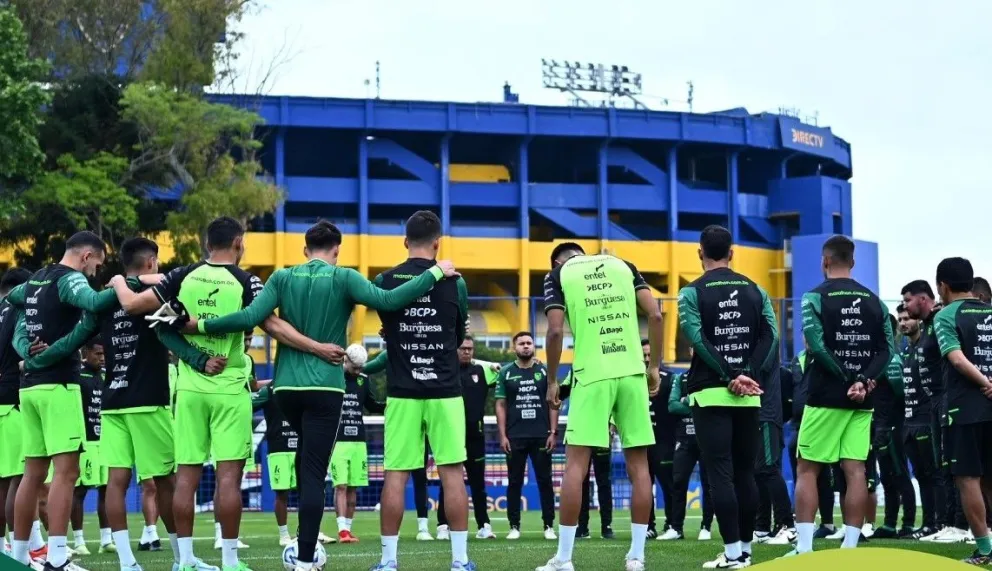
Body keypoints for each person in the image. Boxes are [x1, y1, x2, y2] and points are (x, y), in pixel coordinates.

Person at [188, 219, 456, 571]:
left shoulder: (282, 277)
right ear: (337, 250)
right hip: (325, 388)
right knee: (314, 473)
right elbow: (389, 301)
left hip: (285, 389)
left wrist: (203, 325)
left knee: (304, 464)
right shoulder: (344, 277)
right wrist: (435, 274)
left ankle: (301, 542)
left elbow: (251, 316)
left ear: (304, 250)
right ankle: (304, 558)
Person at [109, 218, 325, 571]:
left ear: (208, 243)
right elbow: (272, 325)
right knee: (228, 478)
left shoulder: (181, 276)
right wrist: (315, 347)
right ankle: (229, 561)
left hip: (190, 390)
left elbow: (159, 326)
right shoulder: (246, 281)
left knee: (187, 477)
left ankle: (185, 561)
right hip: (229, 389)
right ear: (238, 242)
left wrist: (196, 358)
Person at [538, 242, 662, 571]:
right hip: (632, 372)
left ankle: (564, 558)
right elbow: (656, 314)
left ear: (556, 261)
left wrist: (552, 380)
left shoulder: (558, 274)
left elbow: (553, 331)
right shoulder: (623, 264)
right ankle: (637, 557)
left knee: (575, 469)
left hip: (592, 375)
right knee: (640, 469)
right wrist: (653, 368)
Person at [371, 210, 475, 571]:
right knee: (452, 473)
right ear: (437, 244)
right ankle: (460, 561)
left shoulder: (386, 280)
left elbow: (388, 323)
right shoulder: (455, 283)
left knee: (396, 475)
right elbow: (459, 334)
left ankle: (388, 562)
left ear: (404, 242)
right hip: (446, 390)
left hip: (402, 391)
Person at [5, 230, 113, 571]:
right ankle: (56, 558)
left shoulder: (35, 280)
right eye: (98, 264)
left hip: (29, 388)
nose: (97, 271)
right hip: (58, 388)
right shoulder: (69, 281)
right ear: (85, 256)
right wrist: (122, 286)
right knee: (67, 473)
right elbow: (95, 304)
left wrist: (24, 346)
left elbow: (12, 303)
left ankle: (20, 558)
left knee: (32, 474)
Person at [677, 225, 778, 569]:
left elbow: (697, 338)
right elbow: (771, 335)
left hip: (709, 394)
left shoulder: (691, 292)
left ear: (699, 252)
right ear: (732, 253)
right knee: (745, 473)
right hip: (748, 395)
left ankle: (733, 553)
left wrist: (728, 373)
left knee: (720, 473)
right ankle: (746, 551)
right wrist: (745, 372)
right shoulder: (756, 290)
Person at [788, 235, 894, 557]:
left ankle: (804, 548)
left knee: (808, 469)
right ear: (853, 261)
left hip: (824, 396)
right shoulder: (875, 301)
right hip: (862, 399)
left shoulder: (813, 298)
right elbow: (887, 350)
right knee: (856, 469)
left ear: (825, 261)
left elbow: (816, 346)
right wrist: (863, 380)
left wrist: (849, 378)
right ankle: (849, 547)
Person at [931, 257, 992, 564]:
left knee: (968, 479)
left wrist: (984, 382)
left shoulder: (946, 315)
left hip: (965, 410)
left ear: (943, 285)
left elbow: (956, 358)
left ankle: (984, 550)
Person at [902, 279, 969, 542]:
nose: (905, 307)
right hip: (933, 405)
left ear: (923, 299)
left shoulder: (942, 319)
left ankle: (959, 525)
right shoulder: (929, 326)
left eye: (908, 300)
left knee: (953, 466)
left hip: (947, 400)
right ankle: (946, 523)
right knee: (941, 467)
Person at [435, 336, 500, 541]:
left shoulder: (481, 371)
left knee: (478, 484)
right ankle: (443, 525)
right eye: (463, 348)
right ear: (455, 350)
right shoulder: (446, 371)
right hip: (450, 437)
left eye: (470, 349)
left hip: (475, 438)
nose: (467, 352)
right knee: (448, 483)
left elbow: (508, 372)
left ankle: (484, 525)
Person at [496, 332, 558, 541]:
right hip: (515, 437)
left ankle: (549, 525)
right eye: (521, 343)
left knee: (545, 481)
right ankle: (514, 526)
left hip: (541, 435)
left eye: (529, 343)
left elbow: (553, 403)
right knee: (514, 482)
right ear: (515, 348)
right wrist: (503, 435)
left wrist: (553, 432)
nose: (525, 346)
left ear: (534, 346)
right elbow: (501, 405)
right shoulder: (505, 373)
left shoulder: (545, 371)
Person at [867, 314, 916, 539]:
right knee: (886, 476)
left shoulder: (892, 360)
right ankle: (888, 524)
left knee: (900, 474)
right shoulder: (879, 358)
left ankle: (908, 524)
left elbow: (900, 395)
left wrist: (892, 424)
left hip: (893, 427)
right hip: (880, 426)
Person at [329, 344, 385, 544]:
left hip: (358, 442)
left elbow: (371, 405)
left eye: (361, 367)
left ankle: (349, 530)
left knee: (354, 487)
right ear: (346, 361)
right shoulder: (334, 377)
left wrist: (390, 405)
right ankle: (342, 529)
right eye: (355, 368)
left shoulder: (363, 380)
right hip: (338, 442)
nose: (358, 371)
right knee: (341, 486)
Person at [898, 300, 940, 539]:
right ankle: (928, 524)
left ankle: (938, 523)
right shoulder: (905, 351)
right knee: (921, 476)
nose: (904, 323)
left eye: (907, 318)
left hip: (925, 419)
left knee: (933, 474)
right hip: (908, 422)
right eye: (901, 320)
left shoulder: (927, 345)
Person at [67, 341, 110, 557]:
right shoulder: (77, 375)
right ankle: (78, 541)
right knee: (79, 491)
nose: (102, 358)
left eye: (104, 354)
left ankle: (106, 540)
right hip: (86, 442)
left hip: (106, 440)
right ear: (86, 353)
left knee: (107, 490)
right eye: (98, 353)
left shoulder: (105, 376)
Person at [0, 268, 31, 559]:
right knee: (19, 479)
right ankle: (27, 550)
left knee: (2, 482)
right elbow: (23, 355)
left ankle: (4, 551)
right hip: (12, 402)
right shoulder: (19, 311)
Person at [251, 367, 299, 547]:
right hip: (278, 448)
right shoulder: (270, 390)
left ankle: (308, 530)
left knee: (308, 491)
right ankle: (284, 534)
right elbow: (249, 405)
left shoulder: (301, 388)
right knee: (282, 493)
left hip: (300, 446)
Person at [665, 369, 715, 541]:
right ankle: (676, 528)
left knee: (708, 484)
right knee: (678, 482)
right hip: (684, 440)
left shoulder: (712, 374)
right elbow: (672, 405)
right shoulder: (681, 377)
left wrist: (686, 401)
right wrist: (696, 404)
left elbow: (711, 404)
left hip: (707, 438)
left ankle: (706, 527)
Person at [752, 363, 795, 545]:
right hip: (756, 420)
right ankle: (762, 527)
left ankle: (787, 526)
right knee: (758, 473)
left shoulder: (779, 371)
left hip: (767, 419)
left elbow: (789, 406)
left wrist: (775, 418)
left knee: (768, 469)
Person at [643, 339, 676, 540]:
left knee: (669, 485)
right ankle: (648, 526)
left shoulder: (670, 379)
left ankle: (672, 524)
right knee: (644, 485)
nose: (647, 358)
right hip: (641, 441)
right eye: (644, 355)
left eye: (650, 354)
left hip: (665, 441)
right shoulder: (633, 378)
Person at [577, 433, 614, 540]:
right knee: (582, 483)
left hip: (601, 436)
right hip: (583, 437)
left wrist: (611, 431)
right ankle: (582, 527)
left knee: (604, 484)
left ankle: (606, 526)